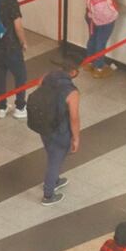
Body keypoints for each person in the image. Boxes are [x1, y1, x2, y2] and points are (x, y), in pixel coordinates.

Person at [40, 57, 81, 206]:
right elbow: (74, 118)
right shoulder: (72, 92)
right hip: (60, 130)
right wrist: (76, 138)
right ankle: (48, 194)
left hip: (43, 126)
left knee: (52, 154)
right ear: (73, 72)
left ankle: (55, 180)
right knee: (55, 161)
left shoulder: (46, 77)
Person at [80, 0, 124, 78]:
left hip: (91, 14)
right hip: (106, 16)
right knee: (101, 41)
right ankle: (99, 68)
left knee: (92, 38)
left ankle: (89, 63)